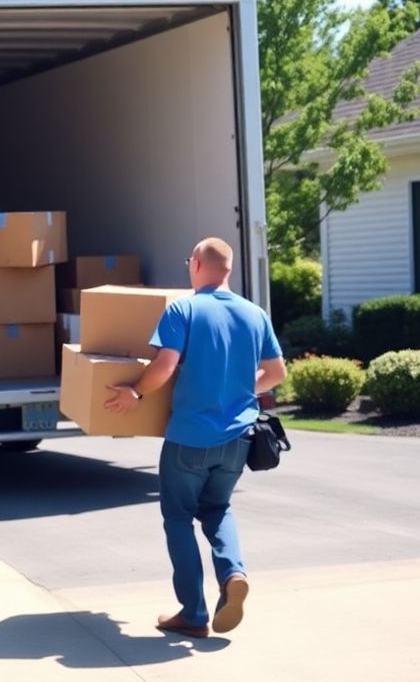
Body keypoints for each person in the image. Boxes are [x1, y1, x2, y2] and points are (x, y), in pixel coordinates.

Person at [105, 237, 287, 639]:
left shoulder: (183, 309)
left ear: (199, 266)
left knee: (178, 518)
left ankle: (193, 613)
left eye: (190, 261)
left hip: (189, 439)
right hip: (239, 439)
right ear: (229, 270)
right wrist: (236, 391)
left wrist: (133, 392)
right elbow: (276, 374)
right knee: (218, 509)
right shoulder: (255, 314)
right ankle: (233, 573)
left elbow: (164, 366)